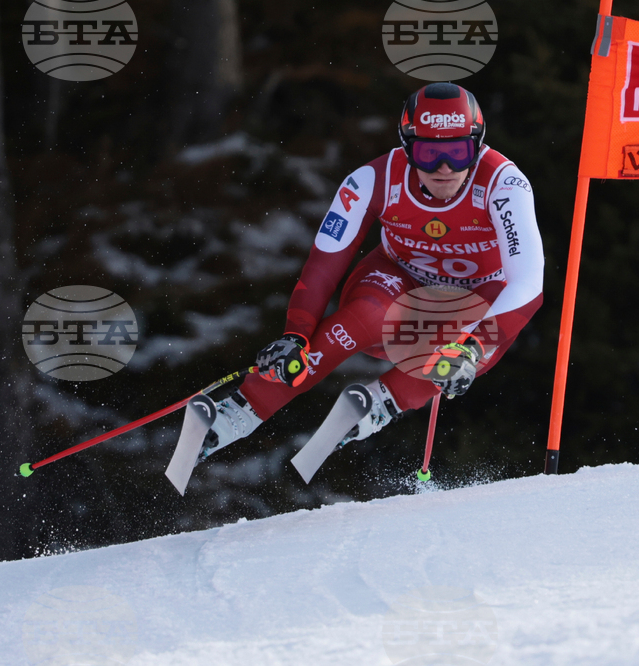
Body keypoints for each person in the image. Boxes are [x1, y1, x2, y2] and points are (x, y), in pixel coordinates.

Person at [197, 82, 544, 468]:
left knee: (475, 343)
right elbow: (324, 264)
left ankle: (383, 403)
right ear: (407, 147)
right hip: (398, 280)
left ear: (477, 147)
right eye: (429, 154)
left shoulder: (504, 184)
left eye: (457, 152)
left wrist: (474, 345)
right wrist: (295, 333)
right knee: (366, 314)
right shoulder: (372, 180)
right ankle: (239, 412)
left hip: (475, 295)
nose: (444, 168)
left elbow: (528, 283)